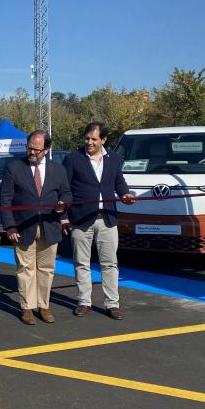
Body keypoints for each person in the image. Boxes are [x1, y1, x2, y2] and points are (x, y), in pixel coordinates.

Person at [63, 122, 135, 320]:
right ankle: (84, 301)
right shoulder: (73, 158)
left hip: (107, 219)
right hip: (81, 219)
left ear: (103, 140)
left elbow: (118, 181)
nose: (89, 142)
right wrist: (64, 216)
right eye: (87, 138)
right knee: (81, 263)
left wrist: (125, 194)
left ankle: (112, 304)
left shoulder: (114, 159)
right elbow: (64, 189)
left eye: (94, 139)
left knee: (110, 264)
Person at [0, 130, 72, 325]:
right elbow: (5, 200)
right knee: (25, 268)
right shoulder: (14, 168)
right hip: (23, 226)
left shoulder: (58, 169)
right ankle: (27, 308)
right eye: (29, 148)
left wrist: (63, 203)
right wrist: (10, 226)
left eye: (37, 150)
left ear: (46, 150)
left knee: (46, 269)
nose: (32, 152)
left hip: (50, 225)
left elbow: (67, 194)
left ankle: (44, 306)